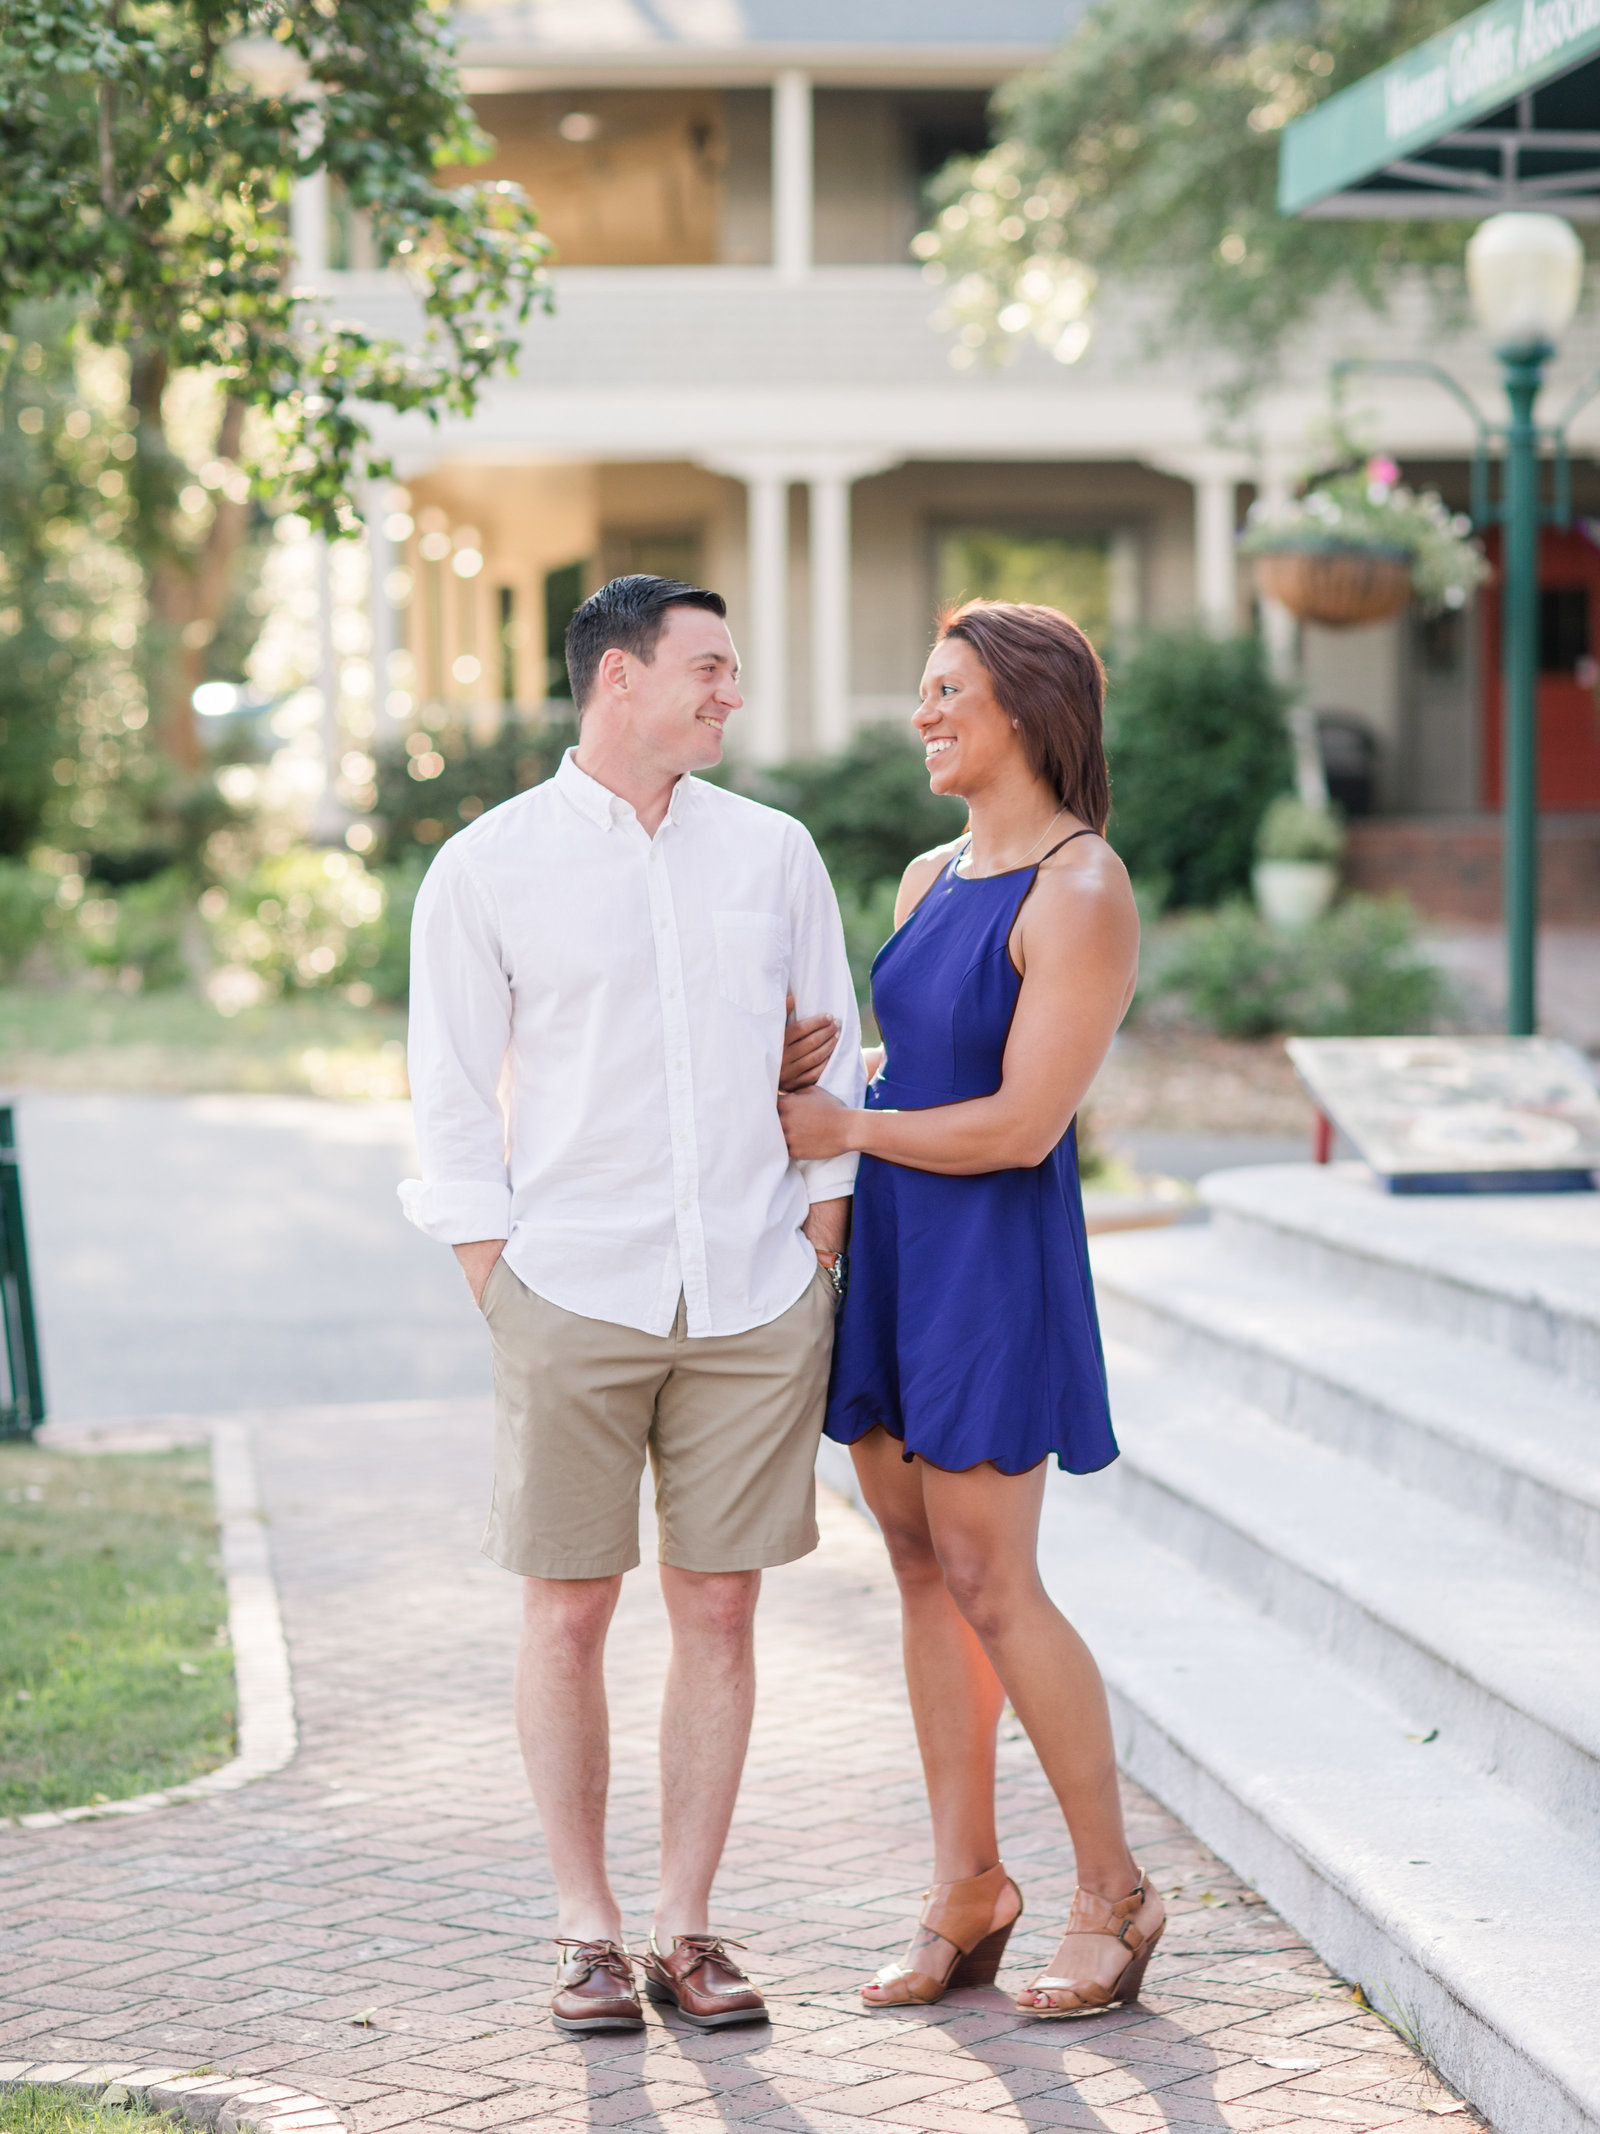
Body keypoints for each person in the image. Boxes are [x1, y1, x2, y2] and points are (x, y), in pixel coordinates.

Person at [401, 574, 863, 2035]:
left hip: (750, 1287)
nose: (733, 691)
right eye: (710, 668)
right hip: (570, 1287)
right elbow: (450, 1101)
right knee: (566, 1613)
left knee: (720, 1608)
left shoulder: (774, 854)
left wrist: (820, 1250)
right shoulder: (487, 867)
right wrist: (504, 1284)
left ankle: (689, 1927)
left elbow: (832, 1058)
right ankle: (586, 1930)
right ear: (619, 679)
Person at [776, 599, 1162, 2020]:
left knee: (998, 1578)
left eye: (948, 692)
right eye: (923, 691)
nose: (924, 714)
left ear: (1027, 707)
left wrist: (845, 1122)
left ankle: (1114, 1891)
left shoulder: (1081, 887)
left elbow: (1016, 1124)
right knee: (920, 1566)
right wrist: (845, 1064)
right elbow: (928, 1057)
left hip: (991, 1263)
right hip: (897, 1256)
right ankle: (967, 1888)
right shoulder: (927, 875)